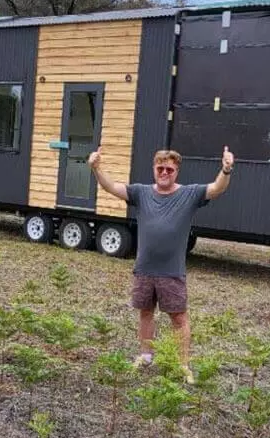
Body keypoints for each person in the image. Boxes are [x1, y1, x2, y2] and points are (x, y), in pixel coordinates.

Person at [88, 145, 234, 383]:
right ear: (154, 169)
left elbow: (217, 188)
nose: (164, 172)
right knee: (145, 313)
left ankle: (182, 364)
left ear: (176, 171)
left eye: (169, 169)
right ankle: (146, 356)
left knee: (179, 318)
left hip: (172, 271)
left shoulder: (190, 194)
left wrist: (226, 170)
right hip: (144, 268)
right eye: (160, 168)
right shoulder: (141, 192)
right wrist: (96, 168)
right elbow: (111, 187)